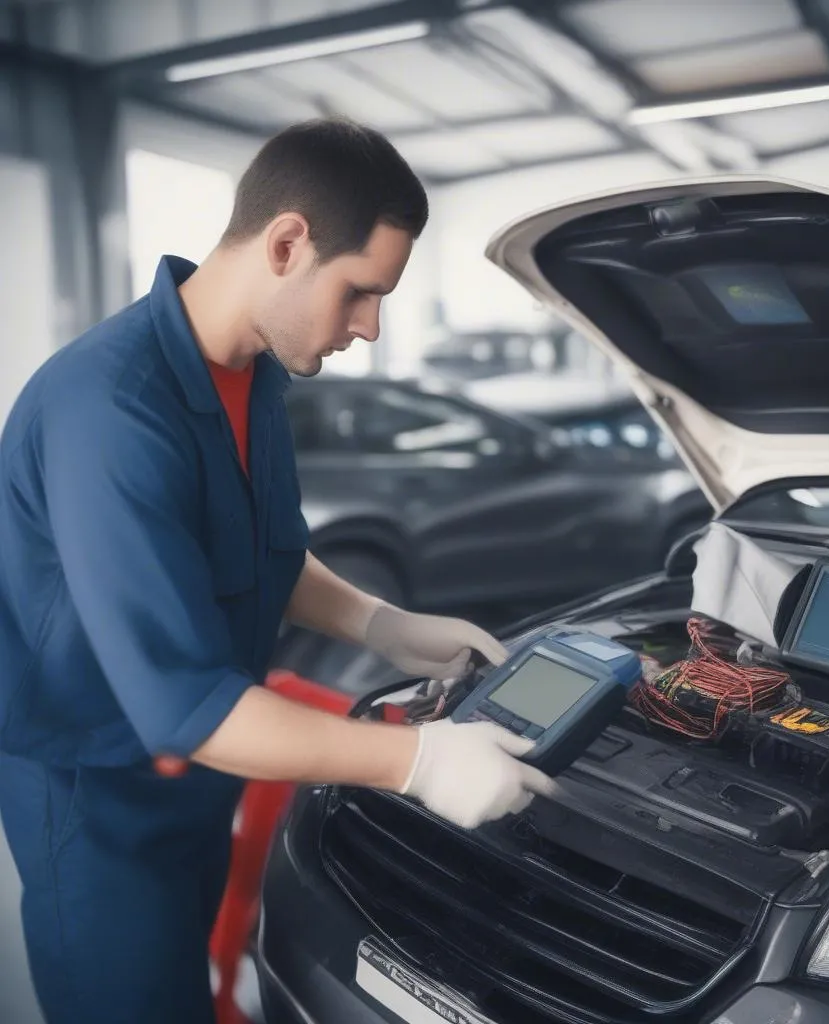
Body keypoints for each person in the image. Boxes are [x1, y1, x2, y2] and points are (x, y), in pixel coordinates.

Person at [0, 118, 555, 1024]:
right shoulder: (108, 408)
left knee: (191, 984)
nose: (371, 328)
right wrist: (415, 762)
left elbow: (266, 553)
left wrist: (383, 623)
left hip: (201, 770)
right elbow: (186, 707)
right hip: (98, 798)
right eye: (361, 293)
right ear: (289, 243)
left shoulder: (252, 374)